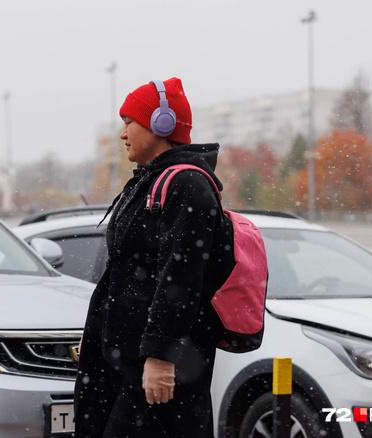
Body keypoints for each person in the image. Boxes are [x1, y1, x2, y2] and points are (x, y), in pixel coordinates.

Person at [74, 77, 235, 437]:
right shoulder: (149, 182)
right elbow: (126, 275)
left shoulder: (186, 186)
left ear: (162, 124)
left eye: (129, 121)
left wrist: (160, 356)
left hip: (152, 373)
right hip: (126, 364)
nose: (123, 133)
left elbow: (181, 278)